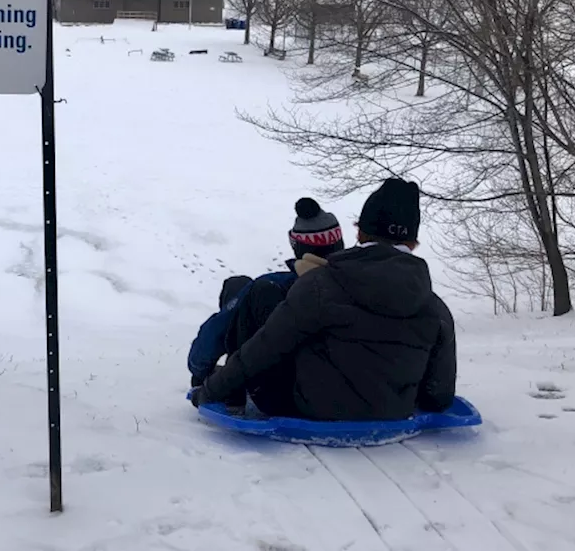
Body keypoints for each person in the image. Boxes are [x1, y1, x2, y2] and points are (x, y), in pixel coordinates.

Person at [190, 178, 457, 420]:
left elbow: (260, 350)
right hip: (393, 412)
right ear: (412, 243)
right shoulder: (434, 307)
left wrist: (208, 391)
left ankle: (232, 396)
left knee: (261, 293)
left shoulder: (320, 285)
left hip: (306, 408)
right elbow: (439, 395)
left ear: (360, 232)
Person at [187, 198, 346, 391]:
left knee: (239, 287)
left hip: (284, 387)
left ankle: (231, 385)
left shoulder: (278, 284)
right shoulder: (359, 280)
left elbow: (217, 329)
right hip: (348, 384)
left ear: (298, 246)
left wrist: (199, 369)